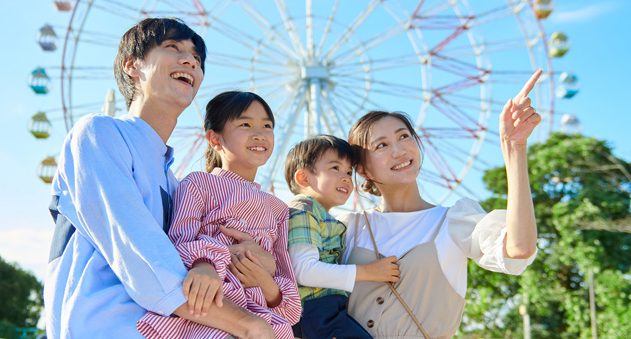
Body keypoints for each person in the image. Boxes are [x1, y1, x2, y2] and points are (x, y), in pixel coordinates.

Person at [45, 18, 274, 339]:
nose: (190, 60)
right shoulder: (98, 133)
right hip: (105, 327)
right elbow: (135, 246)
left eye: (197, 58)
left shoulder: (176, 184)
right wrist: (248, 324)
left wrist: (254, 256)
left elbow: (200, 252)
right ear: (131, 66)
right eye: (172, 48)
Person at [341, 71, 543, 338]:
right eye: (381, 145)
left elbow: (520, 248)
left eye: (404, 136)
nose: (399, 150)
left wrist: (514, 147)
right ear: (362, 169)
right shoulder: (347, 227)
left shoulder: (454, 222)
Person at [137, 91, 302, 339]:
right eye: (245, 124)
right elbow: (179, 241)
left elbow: (288, 301)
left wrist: (265, 282)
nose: (260, 133)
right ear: (214, 139)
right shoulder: (198, 183)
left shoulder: (278, 209)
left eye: (267, 126)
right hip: (214, 307)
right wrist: (206, 263)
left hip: (265, 319)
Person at [283, 135, 401, 339]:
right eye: (335, 168)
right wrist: (368, 272)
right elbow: (303, 270)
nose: (346, 177)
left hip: (323, 311)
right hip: (313, 311)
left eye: (349, 171)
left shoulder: (320, 214)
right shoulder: (303, 210)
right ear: (303, 178)